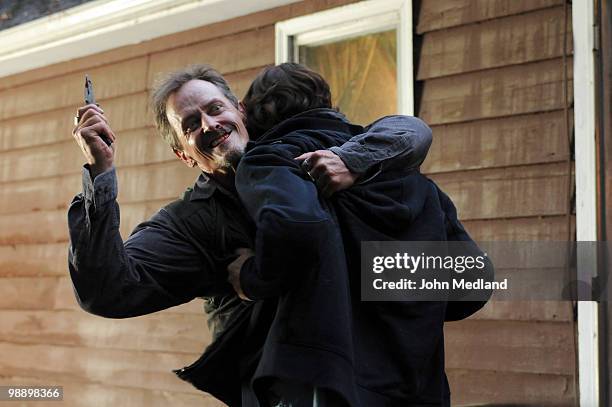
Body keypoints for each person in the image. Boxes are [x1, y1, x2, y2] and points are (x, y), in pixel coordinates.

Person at [68, 64, 433, 406]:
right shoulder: (193, 224)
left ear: (241, 111)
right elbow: (108, 290)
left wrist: (353, 161)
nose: (210, 124)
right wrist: (100, 175)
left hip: (405, 388)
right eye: (191, 124)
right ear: (183, 155)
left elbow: (464, 286)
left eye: (215, 108)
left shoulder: (315, 156)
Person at [231, 63, 492, 406]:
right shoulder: (411, 180)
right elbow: (471, 286)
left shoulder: (273, 161)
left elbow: (294, 229)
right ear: (327, 103)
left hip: (332, 389)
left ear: (254, 114)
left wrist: (249, 278)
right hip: (420, 389)